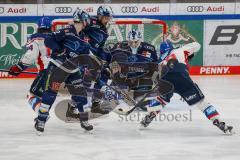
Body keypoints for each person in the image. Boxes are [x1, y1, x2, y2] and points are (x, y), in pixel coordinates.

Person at [140, 40, 234, 134]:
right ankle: (218, 121)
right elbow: (197, 45)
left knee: (161, 99)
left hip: (165, 79)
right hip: (182, 77)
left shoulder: (160, 60)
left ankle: (148, 117)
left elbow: (154, 77)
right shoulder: (181, 49)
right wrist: (187, 51)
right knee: (202, 102)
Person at [34, 9, 93, 134]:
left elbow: (85, 55)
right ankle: (41, 120)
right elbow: (48, 40)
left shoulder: (84, 38)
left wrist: (87, 66)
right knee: (50, 94)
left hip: (73, 70)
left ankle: (84, 120)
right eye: (86, 20)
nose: (87, 22)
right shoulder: (66, 31)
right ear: (82, 20)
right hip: (57, 66)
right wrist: (59, 49)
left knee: (80, 94)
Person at [9, 17, 52, 112]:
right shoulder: (57, 36)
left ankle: (42, 116)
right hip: (61, 70)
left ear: (38, 26)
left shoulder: (35, 38)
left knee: (32, 95)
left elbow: (31, 55)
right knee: (48, 94)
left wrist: (19, 67)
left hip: (46, 71)